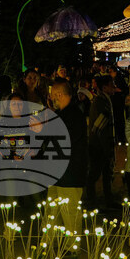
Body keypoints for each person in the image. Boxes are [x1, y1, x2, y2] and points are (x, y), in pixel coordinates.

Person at [36, 80, 88, 233]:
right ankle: (48, 247)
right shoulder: (61, 114)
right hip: (57, 174)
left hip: (70, 174)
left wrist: (43, 130)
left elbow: (64, 141)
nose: (51, 99)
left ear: (59, 95)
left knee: (70, 215)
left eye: (52, 96)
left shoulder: (74, 115)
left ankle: (72, 251)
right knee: (52, 213)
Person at [86, 75, 118, 208]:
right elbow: (100, 128)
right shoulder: (101, 102)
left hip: (100, 144)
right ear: (105, 87)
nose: (114, 87)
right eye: (112, 84)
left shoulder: (104, 100)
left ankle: (107, 199)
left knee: (105, 173)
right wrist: (106, 147)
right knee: (95, 173)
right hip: (99, 146)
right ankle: (92, 201)